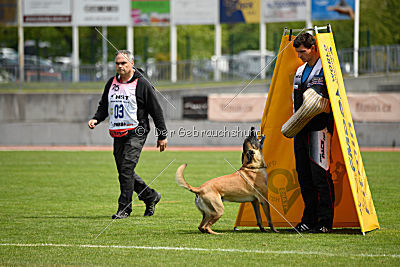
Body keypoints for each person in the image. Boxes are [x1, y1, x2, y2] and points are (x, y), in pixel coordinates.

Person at [88, 50, 168, 219]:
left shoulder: (142, 84)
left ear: (132, 63)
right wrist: (96, 118)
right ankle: (150, 196)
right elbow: (104, 105)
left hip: (137, 131)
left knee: (126, 168)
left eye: (123, 63)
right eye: (117, 63)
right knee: (125, 171)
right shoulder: (111, 82)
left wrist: (162, 135)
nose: (120, 66)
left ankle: (124, 209)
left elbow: (156, 110)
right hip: (118, 132)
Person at [288, 33, 335, 233]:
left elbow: (334, 101)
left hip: (319, 129)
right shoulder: (299, 71)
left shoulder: (327, 70)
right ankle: (308, 220)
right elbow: (294, 101)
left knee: (320, 176)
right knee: (304, 176)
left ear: (313, 47)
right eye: (297, 52)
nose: (299, 56)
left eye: (302, 51)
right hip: (301, 129)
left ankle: (324, 222)